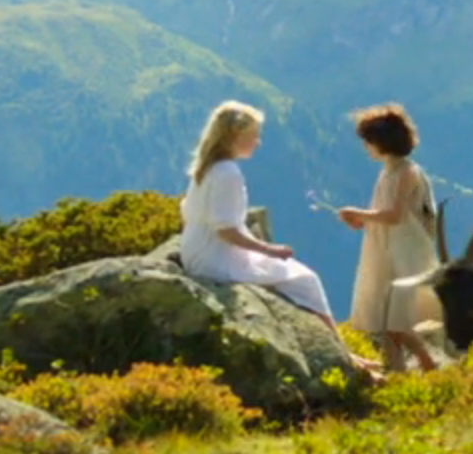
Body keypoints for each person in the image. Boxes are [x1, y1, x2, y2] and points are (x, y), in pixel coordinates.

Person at [180, 99, 382, 379]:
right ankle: (344, 356)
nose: (258, 142)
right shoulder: (228, 173)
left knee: (294, 277)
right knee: (305, 280)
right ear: (235, 136)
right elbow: (225, 229)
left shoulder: (206, 166)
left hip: (197, 251)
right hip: (217, 258)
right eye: (252, 136)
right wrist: (268, 249)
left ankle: (345, 352)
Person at [337, 103, 444, 374]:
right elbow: (387, 214)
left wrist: (359, 213)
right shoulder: (388, 171)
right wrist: (364, 220)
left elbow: (395, 215)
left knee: (396, 320)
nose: (366, 147)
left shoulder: (406, 171)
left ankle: (425, 364)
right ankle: (400, 373)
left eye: (369, 141)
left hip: (405, 252)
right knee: (387, 320)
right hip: (389, 248)